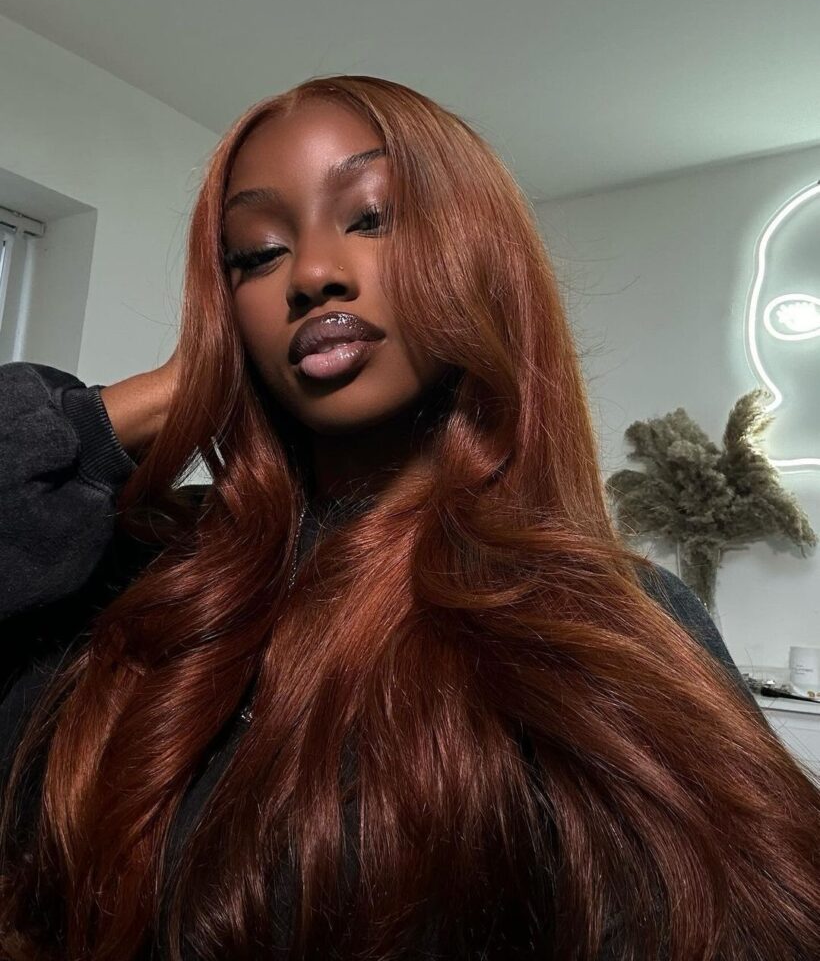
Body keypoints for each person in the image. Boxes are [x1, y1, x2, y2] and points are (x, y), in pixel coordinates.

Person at [0, 75, 817, 961]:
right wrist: (170, 388)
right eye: (258, 255)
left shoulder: (598, 614)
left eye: (372, 217)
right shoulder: (147, 567)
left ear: (479, 259)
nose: (312, 273)